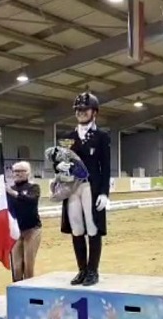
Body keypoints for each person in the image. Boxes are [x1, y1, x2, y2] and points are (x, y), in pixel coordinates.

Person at [48, 92, 110, 286]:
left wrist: (104, 193)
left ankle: (93, 271)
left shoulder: (101, 137)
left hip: (91, 186)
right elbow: (58, 159)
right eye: (78, 110)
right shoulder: (68, 137)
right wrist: (58, 166)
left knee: (92, 227)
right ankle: (82, 269)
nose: (81, 112)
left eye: (85, 109)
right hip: (72, 187)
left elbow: (106, 166)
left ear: (94, 112)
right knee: (76, 228)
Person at [6, 161, 42, 281]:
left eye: (21, 171)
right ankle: (17, 286)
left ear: (28, 173)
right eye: (15, 171)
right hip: (15, 230)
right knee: (16, 266)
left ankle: (28, 288)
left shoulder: (33, 188)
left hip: (32, 229)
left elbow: (31, 200)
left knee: (28, 264)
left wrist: (14, 194)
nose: (18, 173)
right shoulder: (9, 190)